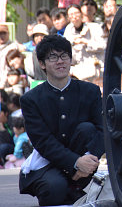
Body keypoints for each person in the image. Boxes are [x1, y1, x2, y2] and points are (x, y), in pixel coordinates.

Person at [19, 35, 104, 206]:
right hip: (48, 163)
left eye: (64, 55)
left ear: (71, 60)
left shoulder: (90, 91)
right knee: (54, 188)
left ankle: (75, 185)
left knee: (87, 128)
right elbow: (42, 141)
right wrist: (74, 162)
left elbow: (103, 129)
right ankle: (70, 188)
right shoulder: (31, 99)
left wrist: (88, 159)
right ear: (42, 64)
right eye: (53, 57)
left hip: (85, 164)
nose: (60, 61)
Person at [63, 4, 105, 82]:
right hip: (78, 68)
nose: (74, 16)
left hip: (95, 68)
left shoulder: (95, 27)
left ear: (81, 14)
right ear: (68, 18)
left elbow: (103, 46)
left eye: (76, 13)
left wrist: (85, 42)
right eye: (71, 14)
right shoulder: (68, 30)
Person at [0, 23, 22, 89]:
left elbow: (11, 68)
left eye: (4, 33)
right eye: (0, 33)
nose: (2, 36)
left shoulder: (13, 46)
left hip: (10, 84)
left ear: (8, 34)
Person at [0, 102, 14, 167]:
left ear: (6, 113)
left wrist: (2, 129)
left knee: (3, 147)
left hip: (12, 147)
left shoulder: (13, 121)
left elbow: (12, 140)